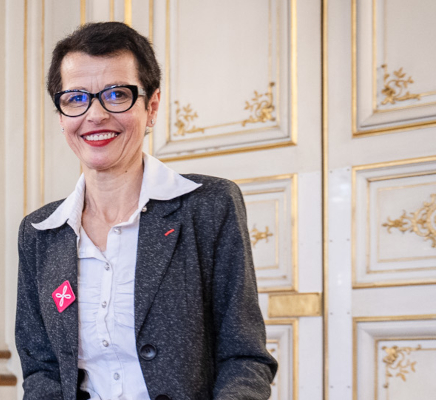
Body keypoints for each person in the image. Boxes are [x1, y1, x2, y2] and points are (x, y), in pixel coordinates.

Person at [14, 22, 277, 400]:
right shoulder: (40, 232)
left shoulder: (209, 206)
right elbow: (42, 369)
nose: (95, 114)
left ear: (151, 107)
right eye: (75, 98)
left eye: (116, 94)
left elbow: (244, 357)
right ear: (61, 115)